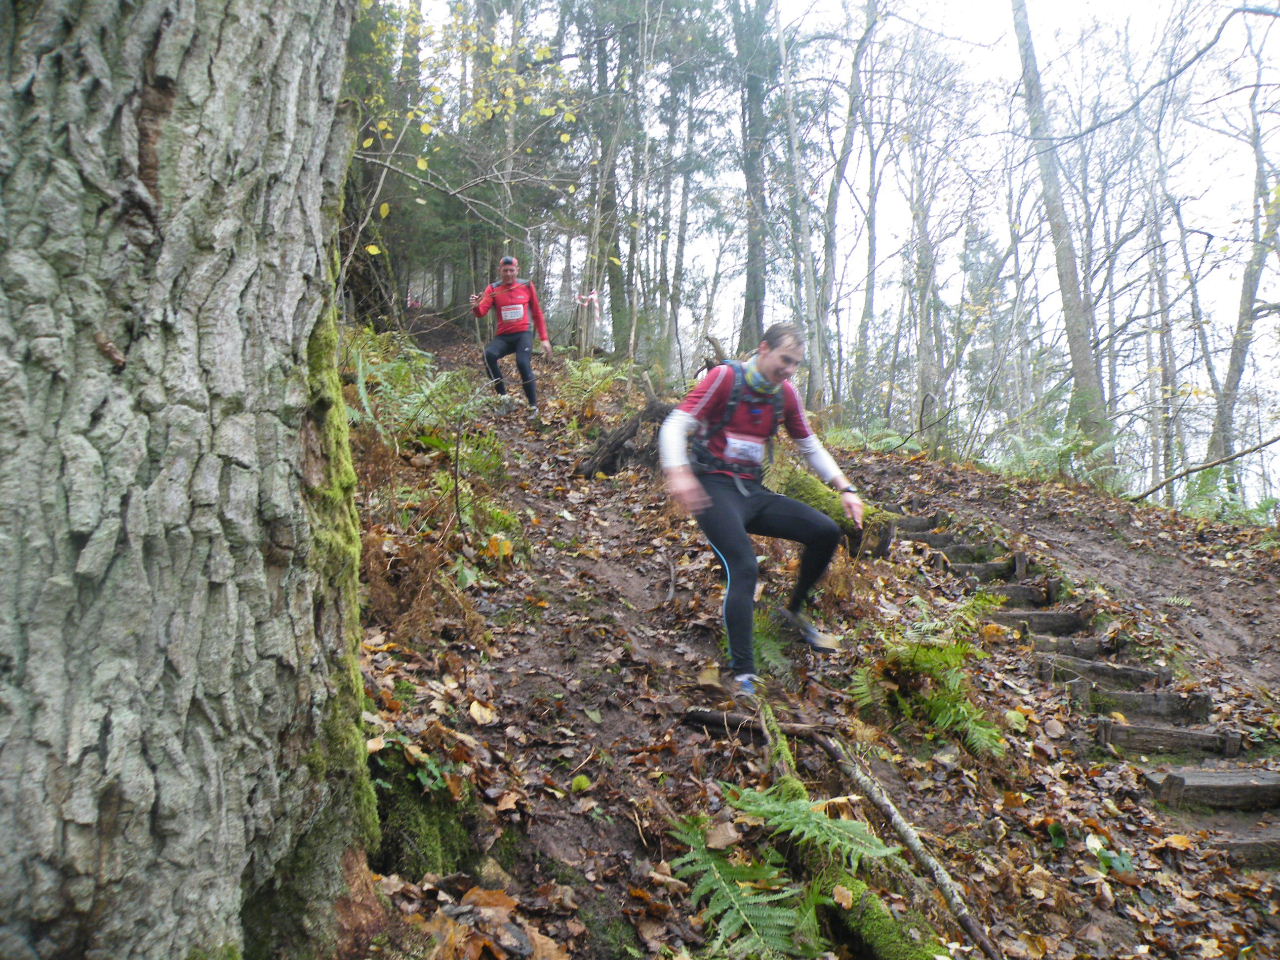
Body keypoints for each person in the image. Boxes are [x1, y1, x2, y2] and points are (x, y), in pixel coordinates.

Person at [659, 323, 864, 698]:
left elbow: (809, 445)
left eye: (796, 364)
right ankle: (744, 674)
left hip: (753, 490)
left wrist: (845, 488)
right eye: (785, 359)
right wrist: (679, 473)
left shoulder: (785, 394)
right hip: (713, 489)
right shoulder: (725, 379)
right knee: (744, 567)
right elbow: (675, 425)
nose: (789, 370)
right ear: (763, 348)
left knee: (825, 531)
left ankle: (793, 613)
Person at [471, 255, 552, 415]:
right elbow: (481, 313)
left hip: (523, 334)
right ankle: (504, 398)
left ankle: (533, 406)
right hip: (504, 336)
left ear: (517, 270)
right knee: (488, 355)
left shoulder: (526, 286)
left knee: (522, 363)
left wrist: (544, 339)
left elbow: (537, 313)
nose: (508, 274)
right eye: (505, 271)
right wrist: (475, 306)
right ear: (499, 271)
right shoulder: (493, 289)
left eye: (511, 270)